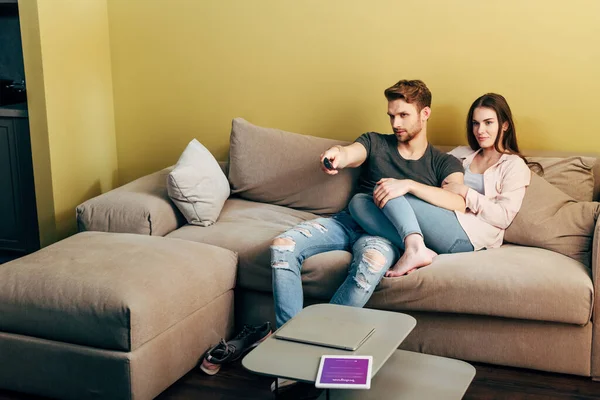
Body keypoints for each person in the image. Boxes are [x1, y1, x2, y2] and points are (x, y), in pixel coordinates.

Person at [270, 79, 465, 329]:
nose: (396, 124)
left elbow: (457, 202)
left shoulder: (444, 163)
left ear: (425, 113)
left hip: (384, 236)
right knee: (282, 247)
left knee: (370, 265)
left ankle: (317, 336)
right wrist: (338, 155)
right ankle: (288, 337)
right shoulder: (375, 142)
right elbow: (351, 153)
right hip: (347, 222)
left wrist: (408, 184)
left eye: (404, 115)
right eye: (391, 116)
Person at [348, 93, 532, 278]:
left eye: (488, 122)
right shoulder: (461, 154)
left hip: (470, 235)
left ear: (505, 125)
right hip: (438, 220)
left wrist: (466, 193)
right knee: (359, 203)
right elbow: (430, 177)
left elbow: (503, 217)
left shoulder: (514, 165)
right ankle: (417, 249)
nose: (480, 130)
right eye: (475, 123)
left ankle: (415, 249)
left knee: (393, 191)